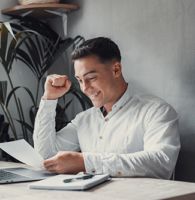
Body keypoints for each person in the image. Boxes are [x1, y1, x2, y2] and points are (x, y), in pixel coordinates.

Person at [33, 37, 180, 179]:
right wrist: (49, 99)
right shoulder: (84, 119)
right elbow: (46, 156)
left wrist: (87, 163)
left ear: (116, 69)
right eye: (79, 80)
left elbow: (161, 163)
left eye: (91, 78)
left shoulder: (156, 111)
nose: (85, 88)